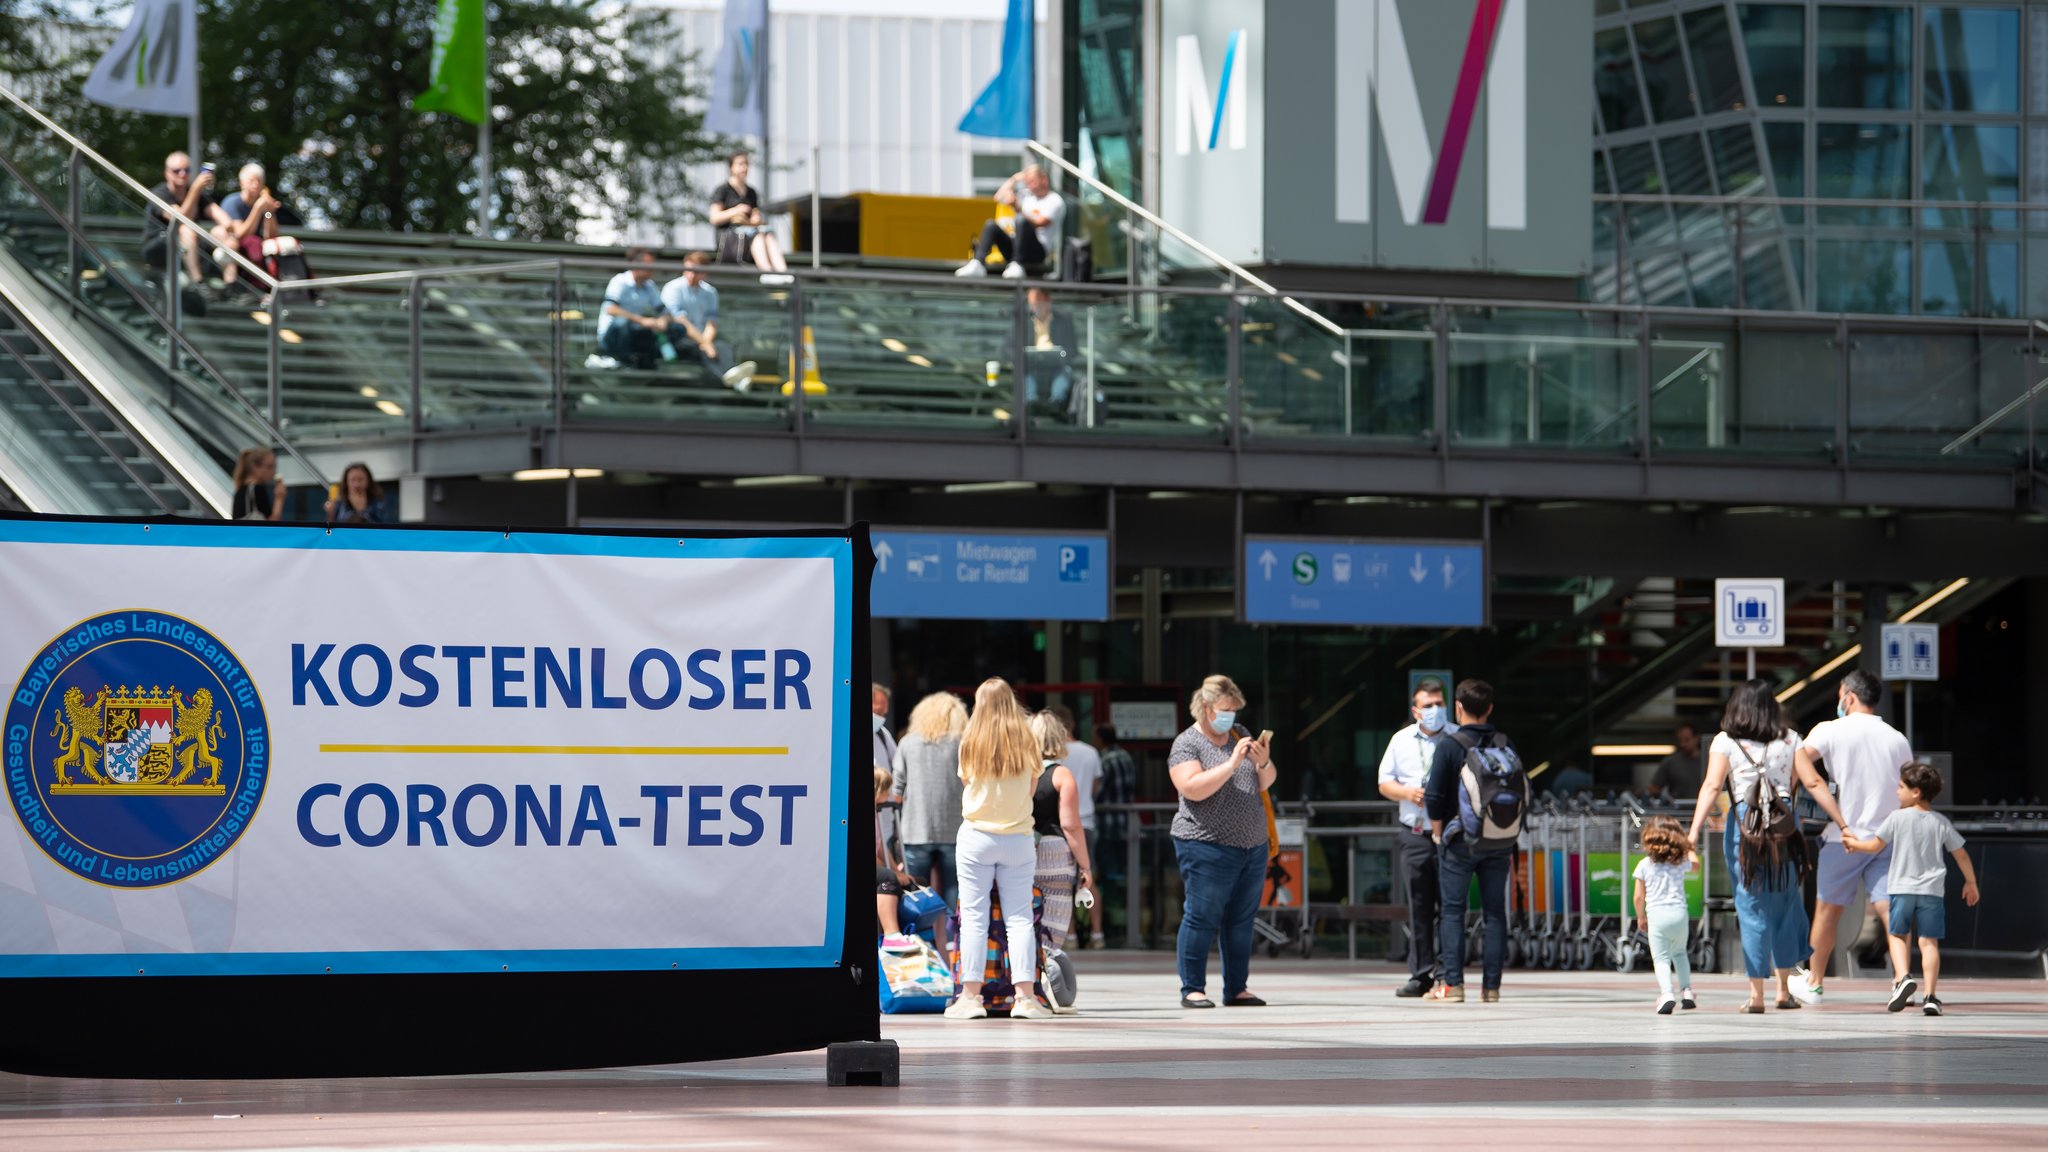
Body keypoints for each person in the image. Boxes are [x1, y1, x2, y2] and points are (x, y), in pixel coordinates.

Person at [1687, 678, 1851, 1013]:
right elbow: (1813, 782)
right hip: (1784, 826)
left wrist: (1691, 836)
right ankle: (1783, 991)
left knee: (1750, 908)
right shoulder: (1791, 739)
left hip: (1743, 829)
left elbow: (1711, 786)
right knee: (1786, 905)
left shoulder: (1725, 741)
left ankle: (1756, 995)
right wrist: (1843, 824)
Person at [1787, 669, 1913, 1007]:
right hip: (1887, 837)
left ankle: (1814, 983)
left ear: (1849, 697)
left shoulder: (1829, 730)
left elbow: (1798, 761)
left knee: (1827, 911)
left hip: (1843, 836)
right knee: (1890, 908)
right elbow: (1906, 790)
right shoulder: (1897, 738)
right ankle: (1901, 977)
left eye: (1840, 695)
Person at [946, 678, 1054, 1020]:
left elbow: (966, 783)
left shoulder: (970, 741)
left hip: (977, 835)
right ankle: (1025, 998)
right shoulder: (1028, 740)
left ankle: (970, 998)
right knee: (1020, 918)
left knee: (974, 919)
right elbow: (1033, 786)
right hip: (1019, 837)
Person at [1167, 673, 1275, 1009]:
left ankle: (1237, 988)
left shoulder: (1239, 734)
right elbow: (1192, 787)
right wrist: (1231, 763)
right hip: (1205, 843)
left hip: (1251, 845)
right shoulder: (1187, 743)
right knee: (1201, 914)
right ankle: (1193, 988)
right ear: (1206, 708)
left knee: (1241, 920)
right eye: (1225, 709)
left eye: (1234, 710)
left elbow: (1265, 782)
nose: (1231, 716)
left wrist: (1263, 761)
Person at [1843, 763, 1981, 1016]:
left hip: (1901, 888)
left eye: (1900, 787)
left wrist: (1853, 844)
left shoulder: (1896, 818)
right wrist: (1971, 882)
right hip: (1932, 890)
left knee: (1898, 934)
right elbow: (1960, 854)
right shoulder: (1940, 821)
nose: (1896, 792)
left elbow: (1874, 846)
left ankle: (1903, 976)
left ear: (1915, 792)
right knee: (1929, 942)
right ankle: (1931, 996)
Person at [1423, 678, 1520, 1003]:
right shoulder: (1505, 742)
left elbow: (1435, 796)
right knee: (1495, 913)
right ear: (1490, 709)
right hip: (1499, 837)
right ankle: (1491, 988)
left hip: (1460, 838)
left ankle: (1453, 985)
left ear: (1458, 708)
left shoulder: (1450, 745)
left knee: (1452, 911)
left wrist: (1438, 831)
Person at [1377, 678, 1455, 997]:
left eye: (1439, 704)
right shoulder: (1400, 740)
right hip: (1415, 833)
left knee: (1450, 905)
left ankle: (1450, 974)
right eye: (1428, 705)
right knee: (1419, 906)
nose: (1435, 710)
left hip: (1450, 833)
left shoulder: (1456, 738)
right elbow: (1384, 783)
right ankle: (1421, 973)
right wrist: (1408, 792)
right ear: (1415, 710)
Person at [1030, 711, 1099, 955]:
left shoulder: (1019, 773)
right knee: (1052, 928)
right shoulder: (1061, 775)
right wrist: (1085, 866)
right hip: (1054, 854)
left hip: (1020, 850)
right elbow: (1070, 825)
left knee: (1022, 922)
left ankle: (1023, 980)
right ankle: (1044, 978)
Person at [893, 691, 967, 906]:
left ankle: (918, 937)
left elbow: (897, 789)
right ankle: (954, 937)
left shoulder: (908, 743)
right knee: (956, 892)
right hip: (956, 830)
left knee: (915, 894)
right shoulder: (962, 743)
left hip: (915, 829)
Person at [1628, 816, 1697, 1015]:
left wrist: (1641, 917)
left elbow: (1638, 897)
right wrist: (1690, 847)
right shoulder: (1680, 863)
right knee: (1680, 952)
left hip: (1657, 915)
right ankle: (1687, 991)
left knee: (1661, 958)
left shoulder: (1644, 865)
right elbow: (1696, 865)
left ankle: (1667, 994)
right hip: (1679, 913)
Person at [660, 251, 757, 391]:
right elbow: (681, 322)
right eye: (688, 270)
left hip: (701, 339)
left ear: (705, 273)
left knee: (723, 347)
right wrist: (705, 343)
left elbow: (711, 323)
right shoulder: (672, 288)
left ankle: (734, 379)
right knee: (707, 351)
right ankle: (736, 380)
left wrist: (706, 342)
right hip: (679, 338)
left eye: (696, 271)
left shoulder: (710, 292)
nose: (691, 275)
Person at [955, 165, 1065, 279]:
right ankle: (978, 264)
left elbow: (1039, 223)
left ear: (1044, 180)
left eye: (1032, 181)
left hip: (1037, 252)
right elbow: (998, 197)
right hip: (1015, 247)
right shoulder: (1028, 197)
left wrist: (1018, 209)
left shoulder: (1055, 200)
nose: (1030, 186)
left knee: (1021, 220)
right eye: (1028, 182)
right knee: (990, 225)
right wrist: (1014, 179)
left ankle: (1017, 264)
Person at [216, 163, 312, 289]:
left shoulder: (263, 206)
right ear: (242, 182)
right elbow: (240, 234)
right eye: (251, 181)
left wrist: (269, 212)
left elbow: (271, 235)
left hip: (258, 250)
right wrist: (257, 209)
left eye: (259, 181)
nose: (255, 185)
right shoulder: (232, 203)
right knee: (253, 242)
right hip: (238, 251)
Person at [142, 151, 228, 286]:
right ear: (167, 173)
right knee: (185, 230)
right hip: (160, 247)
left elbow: (224, 219)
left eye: (187, 170)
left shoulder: (196, 192)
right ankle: (198, 283)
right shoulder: (159, 193)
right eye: (177, 171)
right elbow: (178, 220)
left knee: (221, 232)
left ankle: (231, 285)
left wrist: (264, 213)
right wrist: (195, 189)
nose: (183, 174)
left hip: (189, 248)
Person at [709, 153, 789, 276]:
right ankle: (766, 271)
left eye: (746, 164)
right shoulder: (723, 189)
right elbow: (714, 218)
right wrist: (736, 210)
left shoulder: (751, 192)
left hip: (750, 232)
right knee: (758, 236)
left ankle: (783, 273)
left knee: (768, 233)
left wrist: (755, 219)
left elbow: (755, 215)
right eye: (740, 164)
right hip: (730, 237)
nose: (744, 168)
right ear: (731, 167)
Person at [589, 248, 669, 370]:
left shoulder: (649, 285)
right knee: (622, 322)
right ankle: (620, 359)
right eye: (649, 265)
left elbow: (665, 311)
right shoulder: (620, 280)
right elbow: (610, 309)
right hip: (612, 337)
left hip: (633, 335)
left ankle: (649, 360)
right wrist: (642, 320)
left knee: (677, 328)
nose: (652, 269)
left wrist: (663, 320)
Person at [1095, 723, 1136, 915]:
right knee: (1126, 872)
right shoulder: (1126, 756)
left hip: (1108, 824)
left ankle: (1115, 916)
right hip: (1127, 823)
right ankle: (1127, 915)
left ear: (1100, 739)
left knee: (1109, 875)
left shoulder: (1106, 760)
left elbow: (1099, 793)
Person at [874, 765, 917, 950]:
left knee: (914, 881)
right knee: (888, 878)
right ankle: (891, 934)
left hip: (879, 861)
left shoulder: (876, 814)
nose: (890, 794)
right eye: (887, 790)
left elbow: (881, 849)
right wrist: (892, 872)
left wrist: (896, 868)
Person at [1023, 287, 1080, 420]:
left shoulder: (1064, 319)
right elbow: (1008, 348)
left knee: (1065, 372)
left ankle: (1055, 406)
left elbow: (1073, 349)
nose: (1035, 306)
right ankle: (1031, 405)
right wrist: (1021, 356)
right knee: (1024, 374)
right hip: (1031, 367)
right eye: (1031, 303)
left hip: (1058, 366)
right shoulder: (1022, 320)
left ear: (1048, 301)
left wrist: (1062, 355)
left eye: (1038, 302)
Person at [1649, 723, 1705, 801]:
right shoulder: (1670, 762)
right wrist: (1665, 799)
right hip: (1677, 810)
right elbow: (1654, 788)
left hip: (1707, 808)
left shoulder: (1709, 761)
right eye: (1680, 740)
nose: (1683, 744)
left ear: (1697, 738)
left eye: (1687, 740)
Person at [322, 462, 390, 525]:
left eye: (360, 479)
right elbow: (332, 532)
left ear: (368, 481)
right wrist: (330, 514)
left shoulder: (378, 503)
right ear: (346, 483)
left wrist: (361, 510)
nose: (356, 485)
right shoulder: (339, 503)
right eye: (352, 480)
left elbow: (382, 529)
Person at [230, 447, 286, 522]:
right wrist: (279, 498)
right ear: (255, 466)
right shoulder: (257, 489)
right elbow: (271, 525)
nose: (274, 471)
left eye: (274, 466)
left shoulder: (241, 489)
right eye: (269, 467)